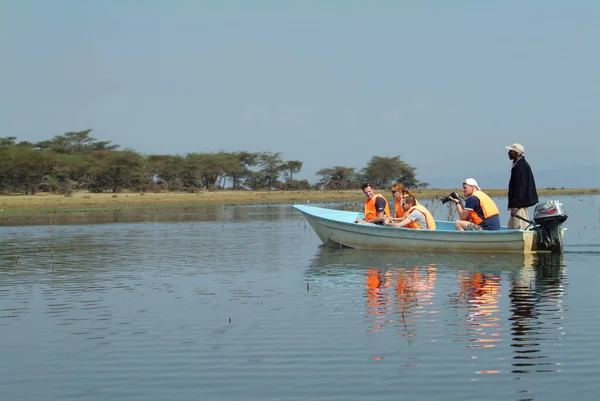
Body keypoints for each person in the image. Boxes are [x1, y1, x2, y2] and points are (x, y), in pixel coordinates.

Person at [506, 143, 539, 229]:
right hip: (519, 202)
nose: (508, 153)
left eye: (511, 151)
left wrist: (515, 205)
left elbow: (520, 187)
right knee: (512, 225)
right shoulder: (518, 164)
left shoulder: (520, 166)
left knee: (519, 226)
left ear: (517, 153)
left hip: (519, 203)